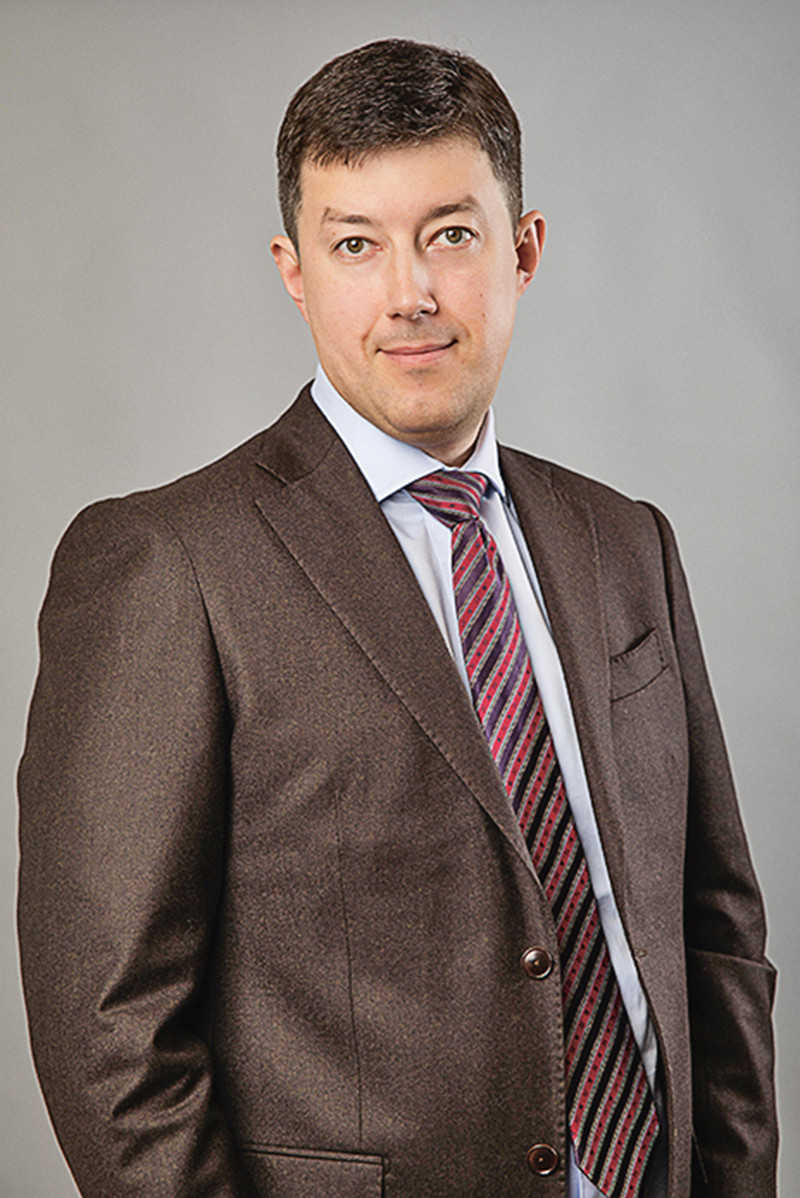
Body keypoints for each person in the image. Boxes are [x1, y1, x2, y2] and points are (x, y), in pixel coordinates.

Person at [18, 38, 777, 1198]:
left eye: (450, 234)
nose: (409, 292)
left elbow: (713, 929)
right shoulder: (166, 564)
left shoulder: (625, 542)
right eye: (355, 244)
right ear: (293, 271)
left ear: (523, 250)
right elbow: (106, 1023)